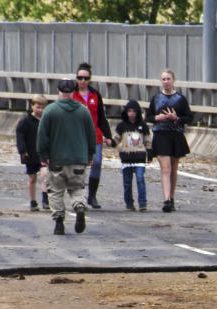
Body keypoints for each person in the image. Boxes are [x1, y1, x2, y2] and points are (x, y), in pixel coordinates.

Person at [37, 78, 96, 236]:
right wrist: (90, 154)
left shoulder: (50, 110)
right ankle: (79, 206)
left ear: (58, 92)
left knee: (56, 191)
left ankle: (59, 222)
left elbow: (42, 136)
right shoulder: (83, 110)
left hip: (57, 159)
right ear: (73, 92)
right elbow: (91, 134)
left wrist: (43, 155)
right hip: (78, 159)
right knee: (77, 188)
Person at [145, 69, 192, 213]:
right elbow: (148, 116)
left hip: (176, 135)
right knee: (165, 168)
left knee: (173, 169)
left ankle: (171, 198)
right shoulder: (156, 98)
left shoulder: (180, 99)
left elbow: (189, 118)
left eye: (168, 79)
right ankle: (166, 199)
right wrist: (156, 118)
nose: (166, 82)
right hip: (161, 134)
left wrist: (176, 118)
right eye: (163, 79)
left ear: (173, 80)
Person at [72, 62, 114, 209]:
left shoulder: (95, 95)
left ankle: (92, 195)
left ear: (90, 79)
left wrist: (108, 136)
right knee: (78, 166)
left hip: (94, 134)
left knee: (96, 163)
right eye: (80, 78)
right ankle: (78, 195)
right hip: (76, 135)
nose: (83, 81)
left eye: (86, 78)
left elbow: (101, 116)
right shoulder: (72, 94)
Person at [114, 99, 150, 211]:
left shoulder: (143, 126)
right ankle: (129, 203)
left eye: (134, 111)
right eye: (129, 111)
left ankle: (142, 203)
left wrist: (150, 153)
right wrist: (116, 146)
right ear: (126, 112)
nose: (132, 113)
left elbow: (147, 141)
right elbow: (116, 139)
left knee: (140, 179)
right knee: (127, 182)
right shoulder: (121, 126)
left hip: (139, 157)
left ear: (138, 113)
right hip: (126, 159)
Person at [15, 94, 49, 211]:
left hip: (43, 153)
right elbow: (20, 135)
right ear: (32, 106)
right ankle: (33, 200)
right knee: (32, 178)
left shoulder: (47, 120)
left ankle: (45, 199)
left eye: (42, 107)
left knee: (45, 175)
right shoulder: (26, 121)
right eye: (38, 107)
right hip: (30, 153)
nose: (40, 110)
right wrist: (22, 150)